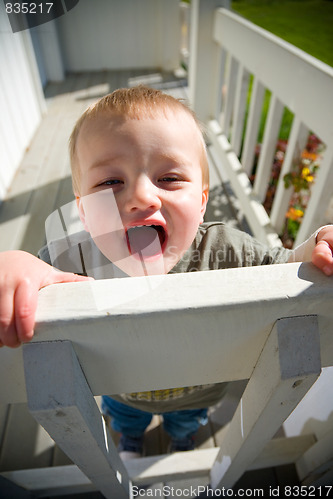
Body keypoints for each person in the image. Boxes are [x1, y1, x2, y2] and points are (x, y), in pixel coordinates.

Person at [0, 86, 332, 460]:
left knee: (186, 423)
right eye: (110, 182)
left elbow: (286, 268)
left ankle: (182, 438)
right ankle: (130, 440)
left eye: (169, 178)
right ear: (83, 210)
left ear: (202, 201)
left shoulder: (222, 249)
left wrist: (319, 246)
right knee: (125, 420)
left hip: (198, 392)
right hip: (121, 392)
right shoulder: (72, 259)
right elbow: (35, 273)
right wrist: (15, 264)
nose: (141, 196)